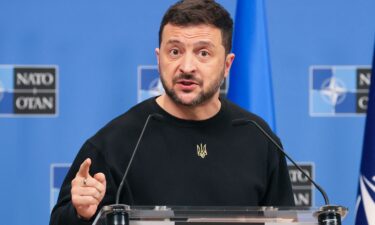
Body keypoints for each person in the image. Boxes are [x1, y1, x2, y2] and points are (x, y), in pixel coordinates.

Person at [50, 0, 294, 224]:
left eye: (203, 53)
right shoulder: (116, 142)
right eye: (175, 51)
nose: (187, 67)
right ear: (159, 59)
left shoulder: (258, 137)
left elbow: (285, 220)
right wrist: (81, 213)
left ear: (227, 64)